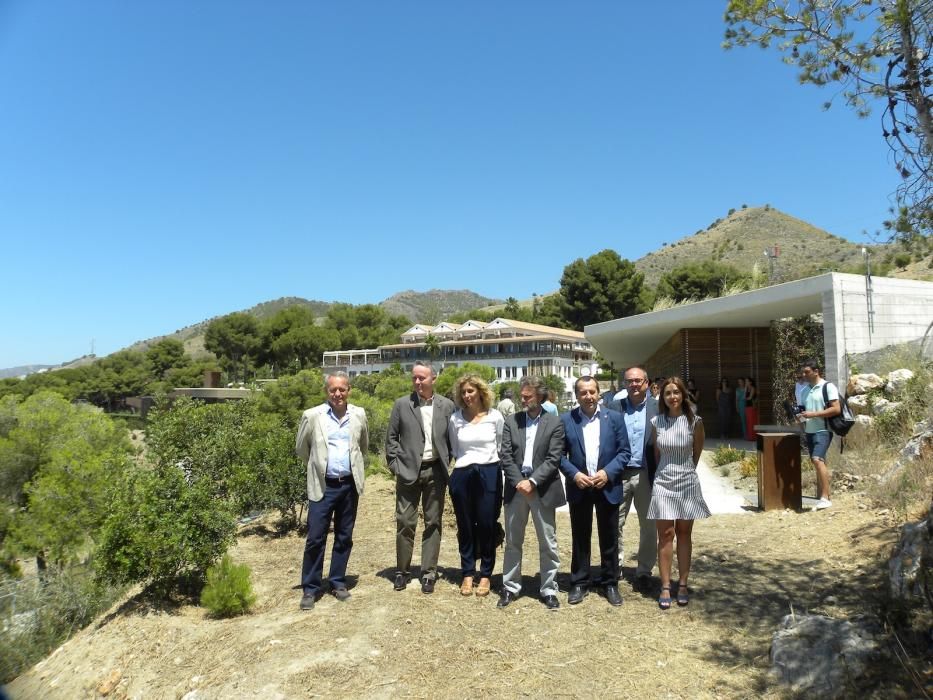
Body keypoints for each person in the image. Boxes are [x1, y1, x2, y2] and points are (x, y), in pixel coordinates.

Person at [296, 372, 369, 610]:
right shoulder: (313, 416)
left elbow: (362, 446)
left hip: (349, 485)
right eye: (333, 390)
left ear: (349, 390)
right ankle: (311, 588)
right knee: (315, 537)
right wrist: (319, 465)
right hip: (323, 486)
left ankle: (338, 581)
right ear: (326, 391)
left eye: (342, 389)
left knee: (344, 536)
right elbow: (302, 449)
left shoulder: (358, 414)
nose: (337, 394)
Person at [559, 376, 631, 606]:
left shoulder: (615, 418)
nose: (589, 397)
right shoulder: (566, 420)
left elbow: (624, 453)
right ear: (577, 396)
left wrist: (608, 473)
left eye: (592, 392)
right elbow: (558, 455)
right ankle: (580, 582)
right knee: (580, 537)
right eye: (583, 393)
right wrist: (574, 474)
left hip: (606, 485)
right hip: (579, 486)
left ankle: (609, 582)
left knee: (609, 536)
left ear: (599, 393)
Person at [385, 361, 456, 594]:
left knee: (433, 522)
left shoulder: (447, 406)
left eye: (422, 378)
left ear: (433, 379)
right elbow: (391, 439)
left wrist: (449, 461)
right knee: (405, 521)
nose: (417, 382)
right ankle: (402, 572)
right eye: (414, 377)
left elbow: (453, 437)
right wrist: (396, 465)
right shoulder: (402, 405)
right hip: (407, 471)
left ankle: (428, 573)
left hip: (436, 471)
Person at [498, 375, 566, 610]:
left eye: (528, 396)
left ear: (540, 396)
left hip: (542, 488)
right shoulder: (511, 421)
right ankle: (510, 586)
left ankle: (548, 589)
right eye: (522, 396)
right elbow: (505, 455)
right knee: (513, 541)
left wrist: (533, 481)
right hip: (517, 489)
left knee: (548, 542)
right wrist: (520, 482)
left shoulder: (555, 423)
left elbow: (553, 458)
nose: (523, 400)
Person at [649, 376, 711, 610]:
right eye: (668, 393)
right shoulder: (656, 422)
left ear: (683, 395)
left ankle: (682, 584)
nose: (672, 397)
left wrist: (685, 472)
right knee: (665, 534)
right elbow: (657, 454)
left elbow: (697, 452)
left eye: (676, 392)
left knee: (684, 534)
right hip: (663, 481)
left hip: (687, 480)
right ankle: (665, 585)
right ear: (662, 397)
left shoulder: (695, 422)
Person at [448, 374, 505, 597]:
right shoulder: (455, 419)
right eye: (463, 392)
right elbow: (455, 448)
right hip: (462, 473)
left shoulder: (495, 417)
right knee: (465, 525)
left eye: (470, 391)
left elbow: (500, 445)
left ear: (481, 392)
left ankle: (486, 574)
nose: (467, 396)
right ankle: (468, 572)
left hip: (489, 472)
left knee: (487, 524)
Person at [608, 366, 658, 591]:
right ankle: (614, 567)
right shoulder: (613, 408)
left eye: (638, 380)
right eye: (630, 381)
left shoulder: (659, 408)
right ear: (624, 384)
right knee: (614, 523)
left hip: (647, 473)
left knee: (649, 525)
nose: (634, 384)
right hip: (620, 475)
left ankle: (645, 570)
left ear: (646, 383)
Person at [798, 358, 841, 510]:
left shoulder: (828, 387)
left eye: (807, 372)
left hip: (823, 430)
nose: (804, 375)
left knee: (817, 459)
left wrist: (814, 414)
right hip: (809, 431)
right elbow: (804, 412)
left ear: (816, 371)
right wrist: (800, 416)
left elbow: (836, 409)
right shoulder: (804, 391)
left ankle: (825, 497)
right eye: (802, 372)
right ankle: (824, 495)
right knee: (818, 461)